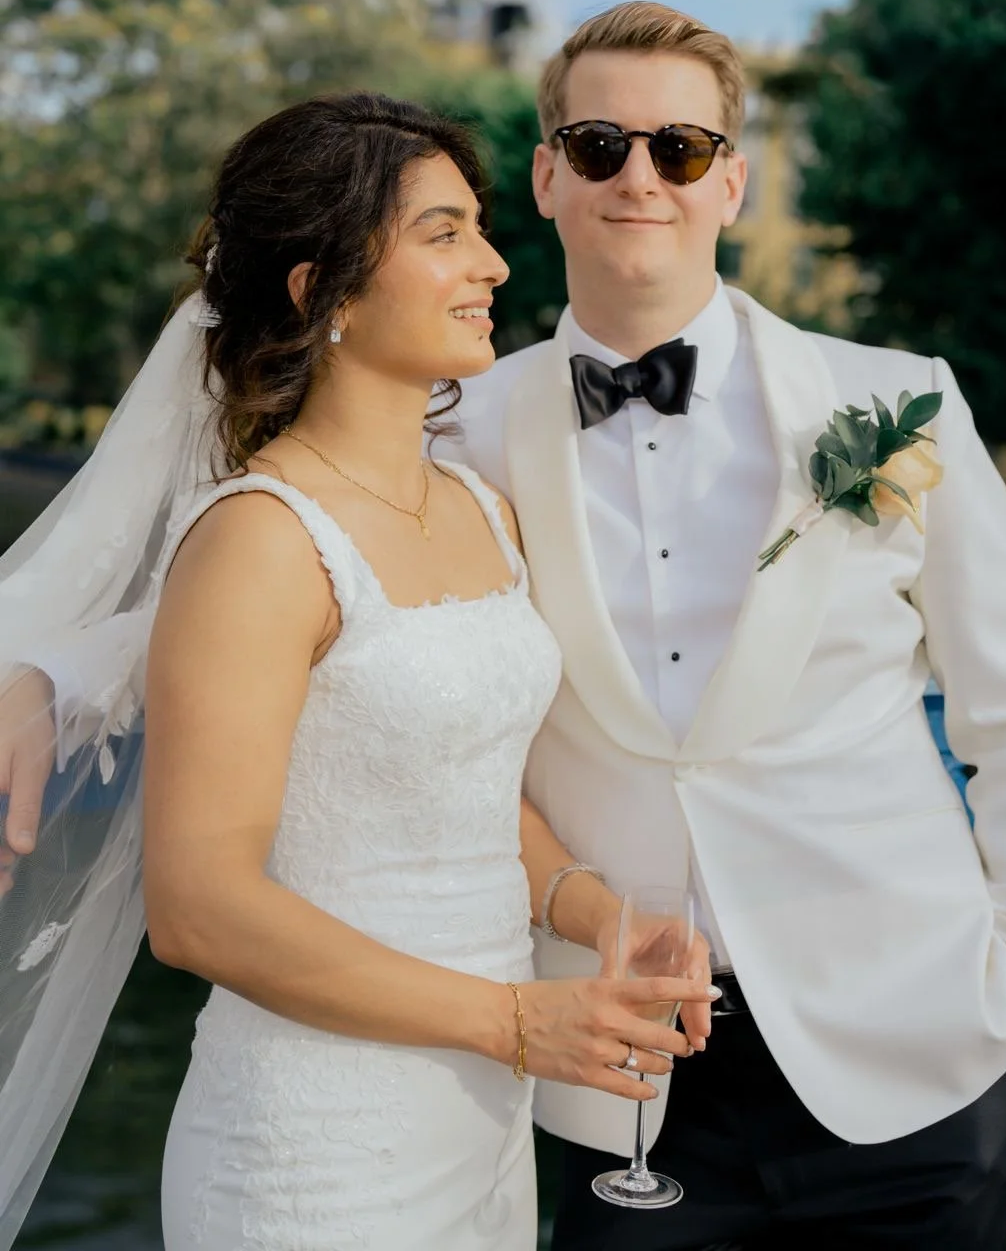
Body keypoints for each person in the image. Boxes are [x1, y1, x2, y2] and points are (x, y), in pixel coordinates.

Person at [0, 91, 714, 1251]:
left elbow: (465, 785)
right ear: (316, 289)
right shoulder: (261, 540)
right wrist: (515, 1020)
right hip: (314, 1144)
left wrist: (596, 912)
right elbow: (199, 908)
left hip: (478, 1123)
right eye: (442, 233)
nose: (489, 259)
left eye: (477, 226)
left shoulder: (478, 507)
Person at [453, 1, 1006, 1250]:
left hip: (926, 1063)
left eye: (677, 149)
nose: (639, 177)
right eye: (596, 145)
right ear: (544, 176)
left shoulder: (896, 402)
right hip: (622, 1089)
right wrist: (40, 671)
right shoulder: (453, 426)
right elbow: (258, 573)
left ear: (730, 180)